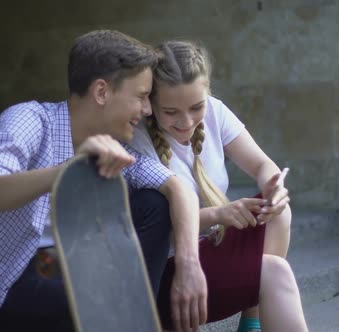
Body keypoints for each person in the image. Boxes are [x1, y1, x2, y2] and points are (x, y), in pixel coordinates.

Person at [0, 30, 208, 332]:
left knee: (154, 204)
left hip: (59, 269)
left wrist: (189, 264)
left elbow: (178, 188)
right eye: (141, 96)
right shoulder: (28, 120)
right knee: (95, 299)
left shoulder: (115, 147)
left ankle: (134, 317)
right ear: (101, 92)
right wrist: (70, 169)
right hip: (0, 284)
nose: (148, 110)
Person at [129, 40, 308, 332]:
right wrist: (219, 215)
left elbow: (263, 165)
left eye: (196, 107)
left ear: (207, 93)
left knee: (279, 211)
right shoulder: (137, 138)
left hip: (210, 248)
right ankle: (253, 321)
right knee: (275, 272)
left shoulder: (215, 111)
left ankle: (251, 320)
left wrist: (273, 187)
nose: (186, 121)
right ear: (150, 103)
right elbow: (154, 225)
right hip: (171, 271)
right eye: (171, 111)